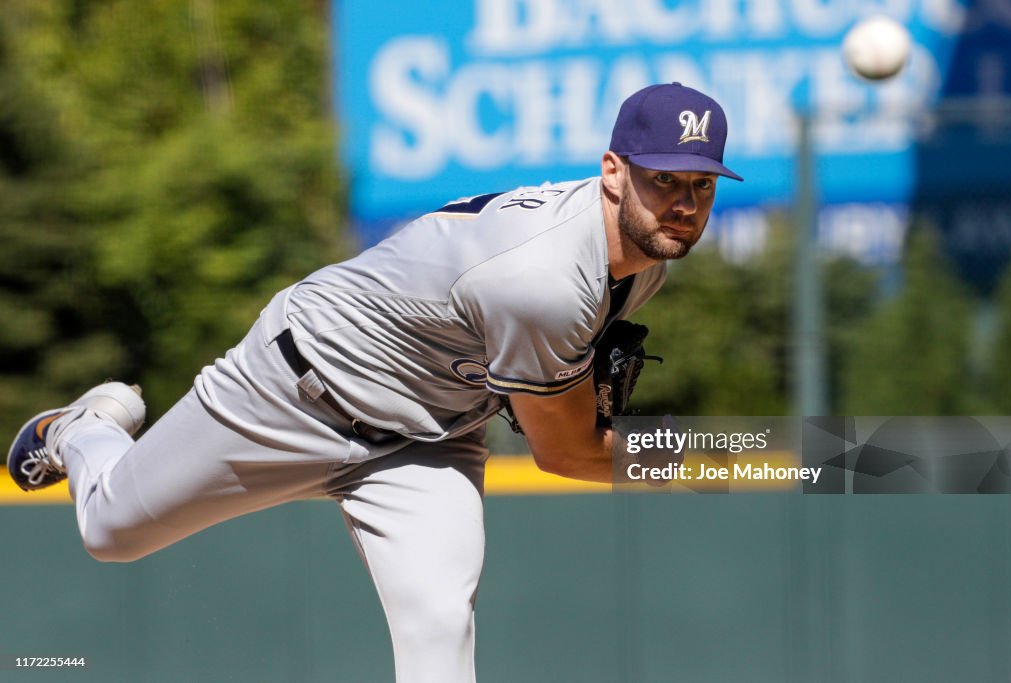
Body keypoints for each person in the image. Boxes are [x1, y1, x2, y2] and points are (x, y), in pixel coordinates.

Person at [6, 82, 741, 682]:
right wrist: (749, 453)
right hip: (294, 389)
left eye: (700, 185)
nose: (683, 202)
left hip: (425, 442)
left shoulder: (646, 261)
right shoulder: (545, 278)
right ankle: (86, 429)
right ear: (613, 170)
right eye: (662, 179)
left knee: (440, 631)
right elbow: (568, 452)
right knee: (109, 531)